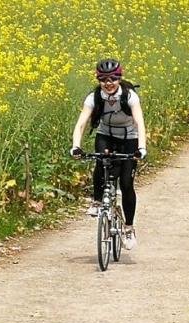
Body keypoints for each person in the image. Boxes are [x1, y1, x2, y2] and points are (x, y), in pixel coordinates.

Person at [70, 58, 147, 250]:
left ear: (120, 78)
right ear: (98, 80)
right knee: (99, 163)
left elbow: (139, 122)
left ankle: (128, 228)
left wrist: (142, 147)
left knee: (127, 184)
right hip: (106, 135)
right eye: (103, 79)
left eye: (113, 78)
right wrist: (76, 146)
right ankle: (97, 201)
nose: (108, 83)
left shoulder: (129, 96)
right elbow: (81, 124)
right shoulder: (93, 97)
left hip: (129, 137)